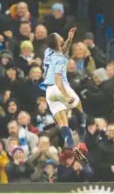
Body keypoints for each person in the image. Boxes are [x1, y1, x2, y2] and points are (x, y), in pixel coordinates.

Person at [39, 27, 88, 155]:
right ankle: (82, 141)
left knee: (62, 121)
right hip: (59, 87)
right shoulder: (60, 59)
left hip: (49, 92)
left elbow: (62, 50)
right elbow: (58, 78)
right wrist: (65, 96)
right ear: (57, 42)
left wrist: (69, 39)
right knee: (80, 110)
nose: (61, 36)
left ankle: (70, 146)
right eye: (59, 36)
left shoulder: (47, 52)